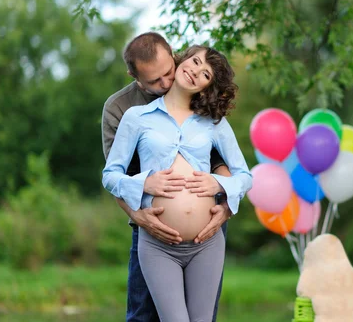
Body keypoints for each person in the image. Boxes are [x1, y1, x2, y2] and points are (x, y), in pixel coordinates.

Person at [103, 44, 252, 322]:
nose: (196, 71)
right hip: (158, 244)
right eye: (195, 61)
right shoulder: (136, 117)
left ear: (208, 86)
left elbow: (244, 176)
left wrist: (219, 185)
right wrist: (145, 182)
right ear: (182, 60)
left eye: (205, 73)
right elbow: (110, 175)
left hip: (206, 242)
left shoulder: (214, 123)